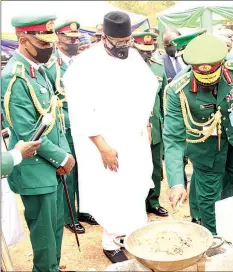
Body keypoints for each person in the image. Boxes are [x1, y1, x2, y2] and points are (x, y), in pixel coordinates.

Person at [62, 11, 158, 263]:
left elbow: (148, 89)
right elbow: (80, 109)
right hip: (104, 141)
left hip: (133, 138)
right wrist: (102, 146)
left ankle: (132, 236)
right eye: (118, 42)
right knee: (111, 189)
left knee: (135, 187)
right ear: (104, 37)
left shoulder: (133, 56)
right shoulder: (85, 63)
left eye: (127, 40)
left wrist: (145, 124)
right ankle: (111, 242)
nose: (123, 46)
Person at [163, 33, 233, 235]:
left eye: (213, 76)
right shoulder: (177, 90)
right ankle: (213, 238)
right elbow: (173, 139)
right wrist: (177, 182)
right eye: (202, 79)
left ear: (222, 63)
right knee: (208, 197)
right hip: (205, 149)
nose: (208, 83)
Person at [1, 14, 76, 271]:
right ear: (23, 40)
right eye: (43, 44)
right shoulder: (14, 76)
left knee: (54, 233)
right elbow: (27, 132)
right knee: (44, 241)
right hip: (34, 170)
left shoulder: (37, 70)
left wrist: (63, 155)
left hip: (51, 167)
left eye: (51, 42)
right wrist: (62, 157)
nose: (50, 48)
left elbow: (55, 119)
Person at [44, 20, 98, 235]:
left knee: (87, 168)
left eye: (76, 38)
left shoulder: (81, 62)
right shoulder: (51, 65)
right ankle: (70, 215)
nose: (74, 41)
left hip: (85, 123)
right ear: (57, 37)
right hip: (65, 124)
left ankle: (84, 208)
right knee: (70, 169)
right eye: (69, 38)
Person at [132, 31, 169, 217]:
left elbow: (163, 101)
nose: (146, 53)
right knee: (136, 166)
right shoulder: (124, 68)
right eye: (141, 50)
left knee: (155, 166)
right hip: (133, 129)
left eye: (149, 50)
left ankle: (153, 201)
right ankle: (136, 203)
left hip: (155, 126)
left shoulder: (158, 68)